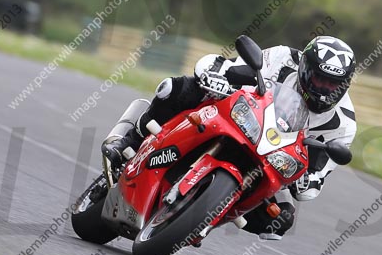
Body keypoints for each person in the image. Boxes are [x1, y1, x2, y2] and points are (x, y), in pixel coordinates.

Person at [103, 36, 357, 241]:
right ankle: (130, 140)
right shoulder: (284, 59)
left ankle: (205, 214)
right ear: (304, 68)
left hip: (272, 159)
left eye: (332, 84)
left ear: (345, 85)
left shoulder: (343, 124)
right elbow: (225, 67)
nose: (323, 89)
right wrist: (218, 78)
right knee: (175, 89)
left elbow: (317, 179)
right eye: (319, 79)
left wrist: (305, 181)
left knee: (281, 219)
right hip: (240, 118)